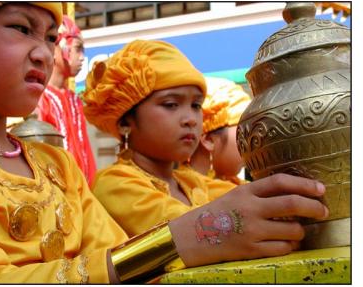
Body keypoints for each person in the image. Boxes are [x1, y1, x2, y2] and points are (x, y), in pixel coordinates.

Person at [0, 2, 328, 284]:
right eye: (21, 29)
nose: (43, 53)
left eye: (51, 38)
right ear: (126, 120)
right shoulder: (115, 183)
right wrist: (182, 239)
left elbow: (113, 252)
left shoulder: (58, 165)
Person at [83, 39, 328, 240]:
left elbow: (248, 197)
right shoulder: (114, 183)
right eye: (171, 104)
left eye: (196, 105)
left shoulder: (190, 181)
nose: (190, 119)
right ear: (126, 121)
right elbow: (194, 230)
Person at [36, 14, 96, 185]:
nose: (82, 57)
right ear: (58, 47)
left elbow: (86, 153)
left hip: (85, 195)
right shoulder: (41, 97)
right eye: (78, 48)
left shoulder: (74, 99)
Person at [188, 76, 251, 186]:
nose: (252, 145)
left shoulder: (241, 188)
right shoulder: (176, 194)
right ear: (209, 140)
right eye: (244, 134)